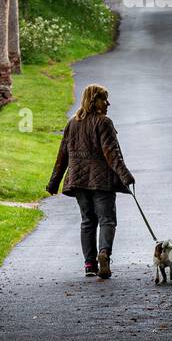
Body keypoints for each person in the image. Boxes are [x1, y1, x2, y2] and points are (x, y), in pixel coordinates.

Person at [47, 84, 134, 279]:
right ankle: (104, 254)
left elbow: (62, 155)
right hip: (101, 181)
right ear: (94, 101)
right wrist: (125, 175)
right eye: (104, 99)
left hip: (78, 180)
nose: (108, 103)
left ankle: (89, 264)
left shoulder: (72, 123)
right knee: (107, 220)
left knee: (87, 221)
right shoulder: (104, 122)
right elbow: (112, 154)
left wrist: (54, 182)